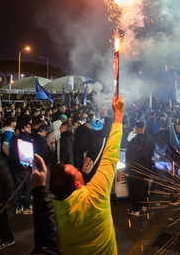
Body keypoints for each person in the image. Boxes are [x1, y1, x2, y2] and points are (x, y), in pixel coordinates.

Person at [50, 95, 124, 255]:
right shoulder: (95, 195)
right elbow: (110, 155)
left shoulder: (58, 209)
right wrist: (118, 115)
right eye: (76, 171)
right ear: (77, 184)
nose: (79, 169)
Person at [124, 121, 154, 216]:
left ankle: (136, 210)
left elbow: (129, 156)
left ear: (136, 129)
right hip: (146, 168)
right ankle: (144, 205)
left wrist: (127, 170)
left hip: (135, 169)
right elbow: (151, 155)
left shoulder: (134, 141)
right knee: (144, 186)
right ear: (144, 129)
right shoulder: (149, 140)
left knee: (135, 189)